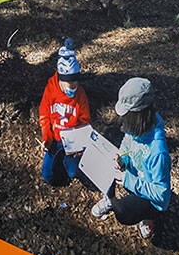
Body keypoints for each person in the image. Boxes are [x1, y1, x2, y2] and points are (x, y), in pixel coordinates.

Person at [91, 77, 170, 239]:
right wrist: (122, 159)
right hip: (134, 181)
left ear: (139, 115)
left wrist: (129, 180)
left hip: (152, 198)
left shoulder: (157, 152)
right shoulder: (134, 127)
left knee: (123, 213)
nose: (123, 120)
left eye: (127, 116)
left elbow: (161, 195)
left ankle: (149, 217)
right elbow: (127, 146)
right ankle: (110, 198)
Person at [38, 39, 92, 188]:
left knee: (74, 171)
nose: (73, 89)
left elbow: (85, 120)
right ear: (61, 80)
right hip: (55, 139)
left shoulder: (80, 94)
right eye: (70, 86)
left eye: (76, 84)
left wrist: (79, 144)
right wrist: (46, 138)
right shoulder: (50, 91)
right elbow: (44, 117)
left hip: (73, 141)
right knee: (48, 175)